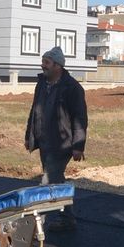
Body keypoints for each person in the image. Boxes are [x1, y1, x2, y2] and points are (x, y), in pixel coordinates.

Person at [23, 46, 86, 228]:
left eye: (47, 62)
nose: (43, 66)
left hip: (62, 144)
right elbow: (34, 111)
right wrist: (29, 135)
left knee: (47, 180)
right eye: (43, 62)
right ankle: (67, 218)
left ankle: (36, 224)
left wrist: (78, 145)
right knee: (56, 180)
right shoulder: (42, 84)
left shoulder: (72, 88)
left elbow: (80, 118)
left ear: (58, 65)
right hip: (44, 141)